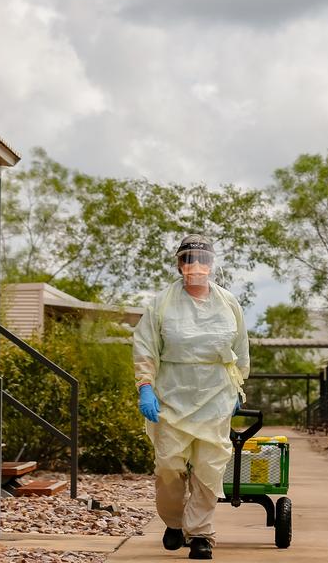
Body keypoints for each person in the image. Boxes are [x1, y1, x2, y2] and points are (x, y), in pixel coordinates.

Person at [133, 234, 249, 560]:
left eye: (202, 260)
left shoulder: (228, 303)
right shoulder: (161, 304)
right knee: (168, 465)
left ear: (212, 264)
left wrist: (238, 385)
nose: (195, 266)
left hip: (216, 394)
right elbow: (145, 348)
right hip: (172, 394)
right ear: (179, 264)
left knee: (209, 468)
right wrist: (145, 386)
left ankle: (200, 534)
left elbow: (241, 350)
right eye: (188, 259)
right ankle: (173, 521)